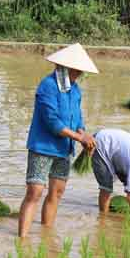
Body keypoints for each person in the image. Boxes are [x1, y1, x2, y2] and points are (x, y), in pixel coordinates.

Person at [18, 43, 98, 238]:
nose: (79, 74)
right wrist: (79, 137)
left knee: (57, 193)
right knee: (35, 192)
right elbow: (52, 122)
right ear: (65, 67)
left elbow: (77, 118)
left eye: (80, 71)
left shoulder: (75, 90)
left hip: (64, 149)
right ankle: (22, 240)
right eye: (76, 70)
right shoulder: (48, 86)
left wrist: (83, 134)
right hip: (43, 147)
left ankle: (46, 236)